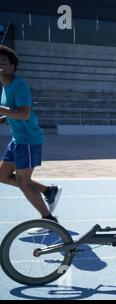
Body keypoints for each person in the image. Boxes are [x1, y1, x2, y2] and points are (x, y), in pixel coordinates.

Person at [0, 45, 62, 233]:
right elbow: (13, 111)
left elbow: (25, 114)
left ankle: (49, 221)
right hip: (17, 139)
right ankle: (48, 191)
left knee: (23, 182)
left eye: (3, 63)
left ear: (13, 66)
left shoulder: (19, 85)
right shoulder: (5, 85)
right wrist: (4, 118)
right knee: (2, 176)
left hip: (28, 140)